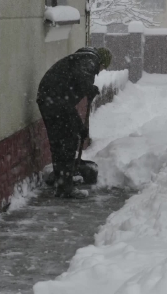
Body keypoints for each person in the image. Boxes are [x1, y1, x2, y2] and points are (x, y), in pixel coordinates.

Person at [36, 47, 112, 198]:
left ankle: (61, 180)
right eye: (103, 68)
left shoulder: (79, 59)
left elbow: (68, 100)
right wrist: (88, 88)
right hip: (55, 101)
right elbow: (81, 77)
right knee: (67, 142)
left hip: (47, 99)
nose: (100, 71)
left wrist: (79, 126)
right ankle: (65, 187)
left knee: (58, 142)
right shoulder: (90, 61)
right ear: (102, 62)